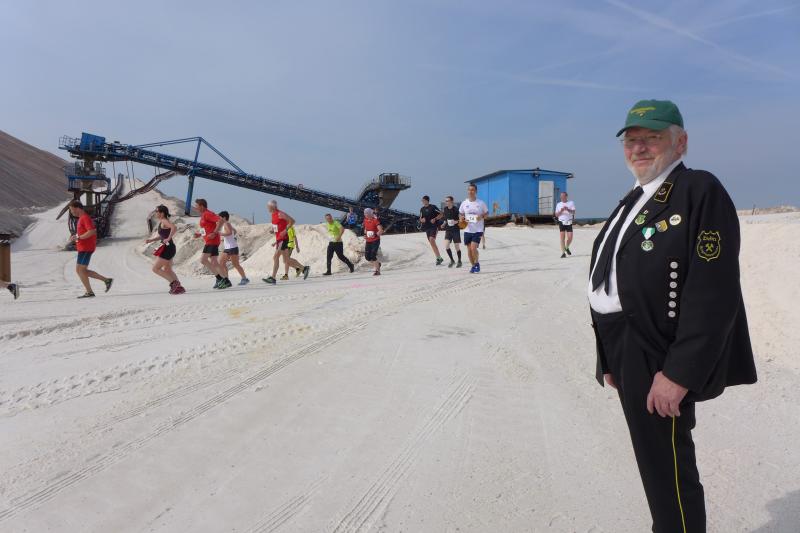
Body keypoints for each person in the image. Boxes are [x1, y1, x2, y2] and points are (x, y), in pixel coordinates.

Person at [588, 99, 757, 532]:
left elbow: (713, 290)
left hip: (657, 350)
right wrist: (607, 356)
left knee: (668, 472)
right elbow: (610, 278)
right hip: (624, 345)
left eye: (652, 138)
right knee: (654, 463)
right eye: (631, 140)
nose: (639, 147)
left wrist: (680, 371)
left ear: (680, 143)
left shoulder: (697, 190)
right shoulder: (634, 199)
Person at [67, 200, 113, 298]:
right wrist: (76, 237)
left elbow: (91, 231)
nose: (71, 212)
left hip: (86, 248)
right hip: (83, 248)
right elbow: (84, 232)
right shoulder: (81, 218)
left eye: (71, 209)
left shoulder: (85, 218)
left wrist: (79, 237)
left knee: (81, 270)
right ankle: (104, 281)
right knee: (80, 270)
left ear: (77, 208)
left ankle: (92, 290)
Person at [262, 200, 310, 284]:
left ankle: (273, 278)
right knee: (286, 260)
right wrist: (273, 230)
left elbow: (292, 221)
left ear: (272, 207)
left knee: (275, 257)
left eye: (268, 207)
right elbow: (277, 226)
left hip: (283, 239)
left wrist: (285, 230)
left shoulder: (280, 213)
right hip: (279, 239)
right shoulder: (273, 215)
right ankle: (304, 268)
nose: (267, 208)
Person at [145, 205, 185, 294]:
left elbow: (174, 227)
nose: (155, 213)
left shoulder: (164, 221)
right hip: (170, 247)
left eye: (157, 211)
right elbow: (162, 236)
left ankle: (174, 283)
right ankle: (179, 287)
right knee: (167, 269)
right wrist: (151, 240)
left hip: (168, 248)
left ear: (162, 213)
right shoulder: (162, 222)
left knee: (155, 268)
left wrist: (169, 238)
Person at [192, 199, 231, 289]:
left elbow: (221, 220)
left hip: (212, 241)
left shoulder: (207, 213)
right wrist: (199, 234)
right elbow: (205, 228)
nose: (195, 207)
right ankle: (225, 280)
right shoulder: (203, 215)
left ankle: (220, 279)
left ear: (202, 206)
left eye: (196, 206)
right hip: (210, 241)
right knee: (214, 262)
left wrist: (214, 233)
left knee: (203, 260)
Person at [458, 184, 489, 273]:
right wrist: (461, 218)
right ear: (467, 191)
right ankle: (473, 266)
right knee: (469, 250)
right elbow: (460, 213)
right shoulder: (464, 203)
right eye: (469, 190)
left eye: (472, 190)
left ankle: (477, 263)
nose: (470, 192)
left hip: (478, 230)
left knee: (473, 248)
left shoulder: (481, 203)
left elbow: (487, 213)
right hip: (467, 230)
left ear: (476, 191)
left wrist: (481, 217)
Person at [218, 211, 249, 286]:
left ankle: (244, 278)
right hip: (228, 247)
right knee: (221, 263)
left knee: (236, 264)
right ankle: (227, 280)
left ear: (224, 218)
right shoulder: (227, 224)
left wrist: (221, 234)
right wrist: (230, 238)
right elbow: (234, 231)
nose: (219, 219)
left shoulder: (226, 224)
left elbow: (229, 232)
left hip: (232, 248)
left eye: (220, 217)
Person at [419, 195, 444, 265]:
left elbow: (441, 214)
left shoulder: (433, 207)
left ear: (427, 200)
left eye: (423, 200)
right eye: (422, 201)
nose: (422, 202)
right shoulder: (422, 209)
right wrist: (422, 220)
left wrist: (435, 219)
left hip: (434, 227)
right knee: (432, 243)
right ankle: (439, 258)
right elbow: (420, 218)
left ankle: (438, 258)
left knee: (432, 240)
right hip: (427, 228)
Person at [440, 196, 462, 268]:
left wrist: (456, 221)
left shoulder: (456, 209)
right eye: (445, 201)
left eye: (447, 201)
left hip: (455, 230)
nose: (446, 202)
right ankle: (452, 260)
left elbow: (461, 219)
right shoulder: (445, 209)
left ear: (452, 201)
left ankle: (459, 261)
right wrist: (443, 224)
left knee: (457, 246)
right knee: (446, 246)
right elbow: (445, 219)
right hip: (448, 230)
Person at [555, 191, 576, 258]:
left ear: (566, 196)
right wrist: (561, 211)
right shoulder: (558, 204)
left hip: (569, 221)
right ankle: (563, 253)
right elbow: (556, 215)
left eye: (563, 196)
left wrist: (568, 209)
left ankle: (567, 247)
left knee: (570, 237)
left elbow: (573, 212)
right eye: (561, 196)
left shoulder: (571, 203)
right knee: (562, 238)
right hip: (561, 221)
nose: (562, 198)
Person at [362, 208, 383, 275]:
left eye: (366, 213)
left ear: (370, 214)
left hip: (375, 240)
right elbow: (365, 229)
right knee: (367, 257)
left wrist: (375, 235)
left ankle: (377, 271)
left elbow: (380, 230)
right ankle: (378, 264)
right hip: (368, 240)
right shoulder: (365, 220)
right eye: (365, 213)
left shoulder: (375, 220)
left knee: (373, 255)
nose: (365, 214)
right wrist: (365, 234)